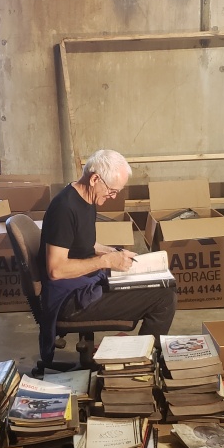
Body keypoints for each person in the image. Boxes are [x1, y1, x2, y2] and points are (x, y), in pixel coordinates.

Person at [38, 149, 177, 363]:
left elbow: (84, 243)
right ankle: (140, 362)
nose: (113, 197)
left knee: (162, 283)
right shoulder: (64, 208)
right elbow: (56, 270)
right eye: (112, 191)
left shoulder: (86, 199)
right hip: (69, 300)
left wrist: (114, 252)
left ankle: (137, 355)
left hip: (84, 283)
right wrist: (105, 261)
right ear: (95, 179)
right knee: (164, 297)